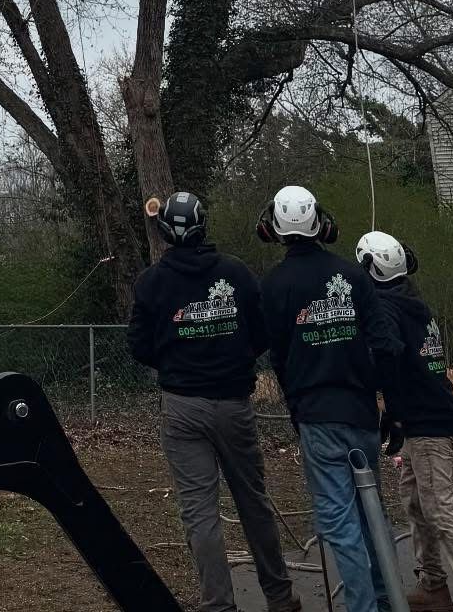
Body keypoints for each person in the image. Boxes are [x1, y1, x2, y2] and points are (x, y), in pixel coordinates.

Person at [128, 191, 301, 612]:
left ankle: (219, 605)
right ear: (204, 225)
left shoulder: (151, 282)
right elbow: (261, 333)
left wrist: (173, 360)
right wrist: (236, 356)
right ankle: (280, 596)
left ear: (165, 231)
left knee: (199, 511)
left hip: (183, 407)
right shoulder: (237, 274)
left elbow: (138, 345)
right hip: (234, 404)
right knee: (253, 501)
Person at [259, 185, 403, 612]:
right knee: (371, 510)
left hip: (317, 417)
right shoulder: (353, 275)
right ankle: (385, 597)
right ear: (321, 224)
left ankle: (364, 607)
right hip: (360, 411)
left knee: (340, 522)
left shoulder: (275, 285)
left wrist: (294, 408)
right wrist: (392, 411)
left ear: (276, 230)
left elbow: (279, 358)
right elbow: (386, 346)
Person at [357, 230, 453, 612]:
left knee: (438, 507)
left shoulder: (387, 311)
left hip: (428, 423)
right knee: (416, 503)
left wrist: (386, 405)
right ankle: (432, 582)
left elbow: (388, 361)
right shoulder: (413, 304)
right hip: (423, 419)